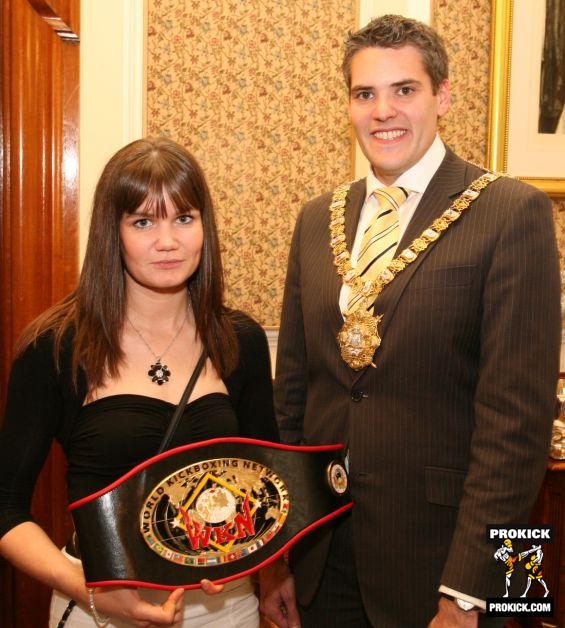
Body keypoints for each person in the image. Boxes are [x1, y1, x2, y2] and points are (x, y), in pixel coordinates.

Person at [259, 14, 561, 628]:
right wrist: (278, 556)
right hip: (324, 558)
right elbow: (292, 399)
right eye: (364, 93)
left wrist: (470, 593)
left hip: (452, 562)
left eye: (404, 90)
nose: (382, 111)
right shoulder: (316, 220)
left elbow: (518, 428)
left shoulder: (512, 211)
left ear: (442, 96)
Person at [0, 137, 280, 627]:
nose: (167, 241)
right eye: (143, 221)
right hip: (97, 608)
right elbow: (6, 509)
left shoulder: (239, 341)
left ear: (204, 228)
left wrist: (248, 557)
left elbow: (269, 490)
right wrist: (86, 588)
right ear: (114, 232)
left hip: (226, 608)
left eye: (184, 218)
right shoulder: (57, 346)